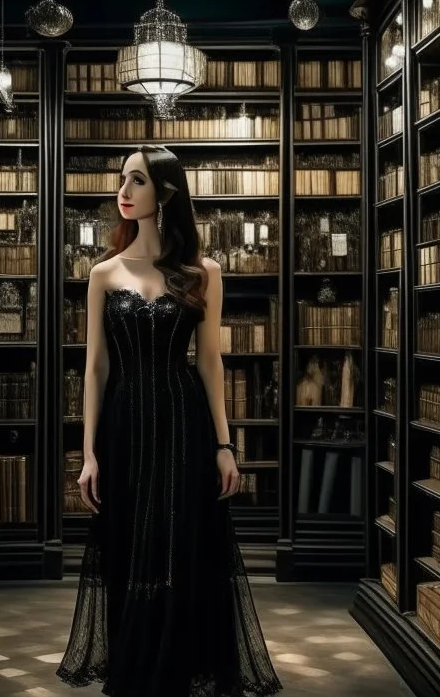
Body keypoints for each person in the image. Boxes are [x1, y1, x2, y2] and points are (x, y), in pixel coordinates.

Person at [56, 145, 283, 697]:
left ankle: (178, 666)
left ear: (166, 192)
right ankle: (136, 667)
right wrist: (88, 454)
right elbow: (94, 368)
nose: (124, 191)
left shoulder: (204, 271)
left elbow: (209, 362)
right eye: (122, 180)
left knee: (182, 542)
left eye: (137, 180)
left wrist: (225, 445)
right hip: (125, 424)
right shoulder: (103, 273)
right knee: (130, 542)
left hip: (184, 423)